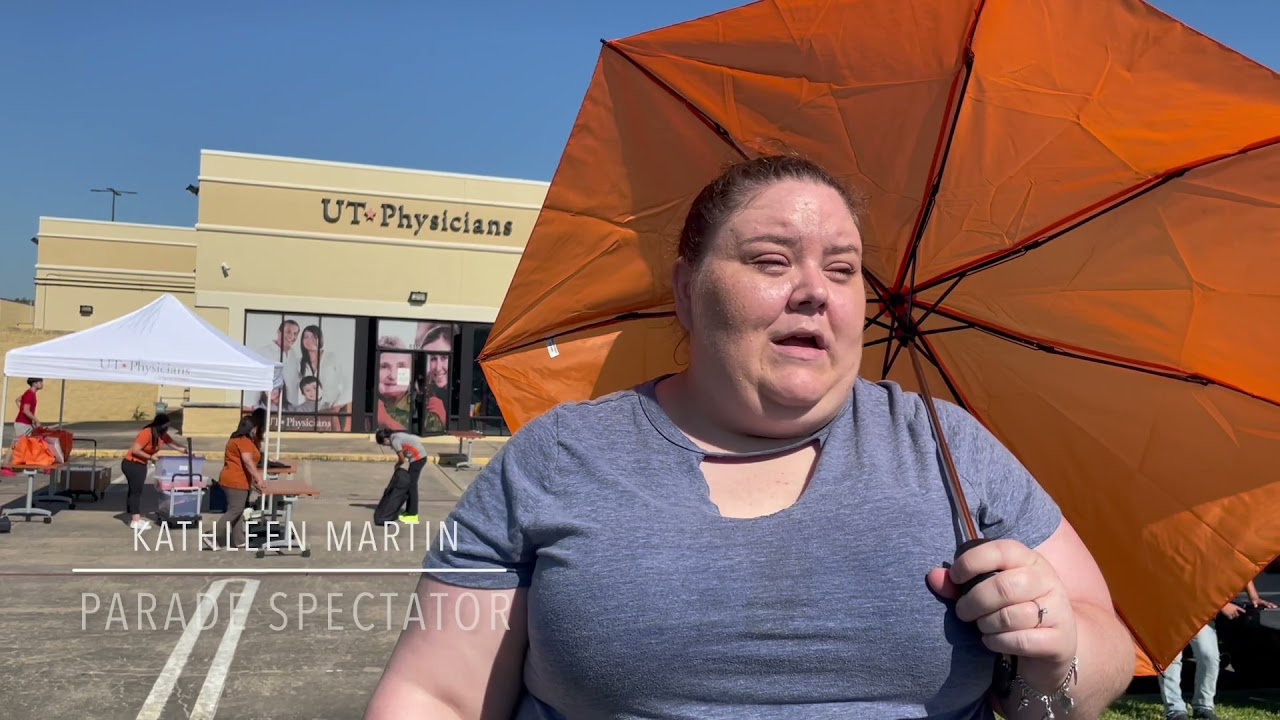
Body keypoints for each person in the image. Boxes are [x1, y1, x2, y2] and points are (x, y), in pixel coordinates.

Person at [365, 154, 1136, 719]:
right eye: (772, 260)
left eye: (842, 269)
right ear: (686, 292)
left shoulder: (949, 449)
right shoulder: (558, 459)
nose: (813, 289)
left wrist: (1058, 649)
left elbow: (1098, 665)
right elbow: (437, 696)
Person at [1159, 579, 1277, 720]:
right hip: (1170, 610)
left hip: (1200, 614)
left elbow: (1242, 566)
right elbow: (1187, 582)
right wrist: (1222, 606)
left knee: (1209, 657)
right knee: (1171, 660)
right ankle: (1175, 710)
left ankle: (1203, 706)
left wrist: (1254, 597)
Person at [208, 412, 265, 551]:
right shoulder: (243, 441)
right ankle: (211, 536)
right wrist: (258, 478)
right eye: (255, 428)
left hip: (236, 480)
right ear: (251, 428)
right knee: (235, 510)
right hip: (236, 481)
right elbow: (247, 461)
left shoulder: (238, 439)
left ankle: (239, 540)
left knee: (238, 510)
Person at [120, 413, 186, 531]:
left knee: (134, 490)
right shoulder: (147, 433)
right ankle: (135, 520)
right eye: (165, 426)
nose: (167, 428)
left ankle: (132, 514)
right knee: (136, 491)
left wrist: (188, 451)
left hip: (141, 464)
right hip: (132, 463)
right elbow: (135, 450)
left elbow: (175, 445)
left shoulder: (162, 436)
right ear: (159, 425)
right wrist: (150, 457)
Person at [375, 427, 427, 524]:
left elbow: (402, 459)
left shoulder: (394, 441)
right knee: (409, 485)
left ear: (385, 439)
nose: (385, 445)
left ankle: (413, 515)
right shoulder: (395, 436)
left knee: (411, 486)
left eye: (383, 443)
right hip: (418, 458)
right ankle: (409, 511)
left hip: (418, 458)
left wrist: (397, 465)